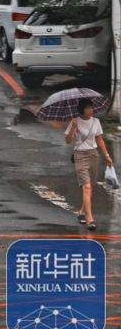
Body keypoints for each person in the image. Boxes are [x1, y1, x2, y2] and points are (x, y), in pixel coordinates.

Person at [64, 98, 114, 230]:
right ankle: (89, 219)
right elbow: (68, 141)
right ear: (82, 110)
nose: (91, 110)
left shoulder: (96, 121)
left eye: (92, 108)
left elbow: (99, 139)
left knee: (90, 186)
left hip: (93, 155)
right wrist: (73, 128)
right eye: (88, 108)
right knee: (86, 187)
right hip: (80, 155)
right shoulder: (74, 122)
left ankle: (82, 211)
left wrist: (107, 156)